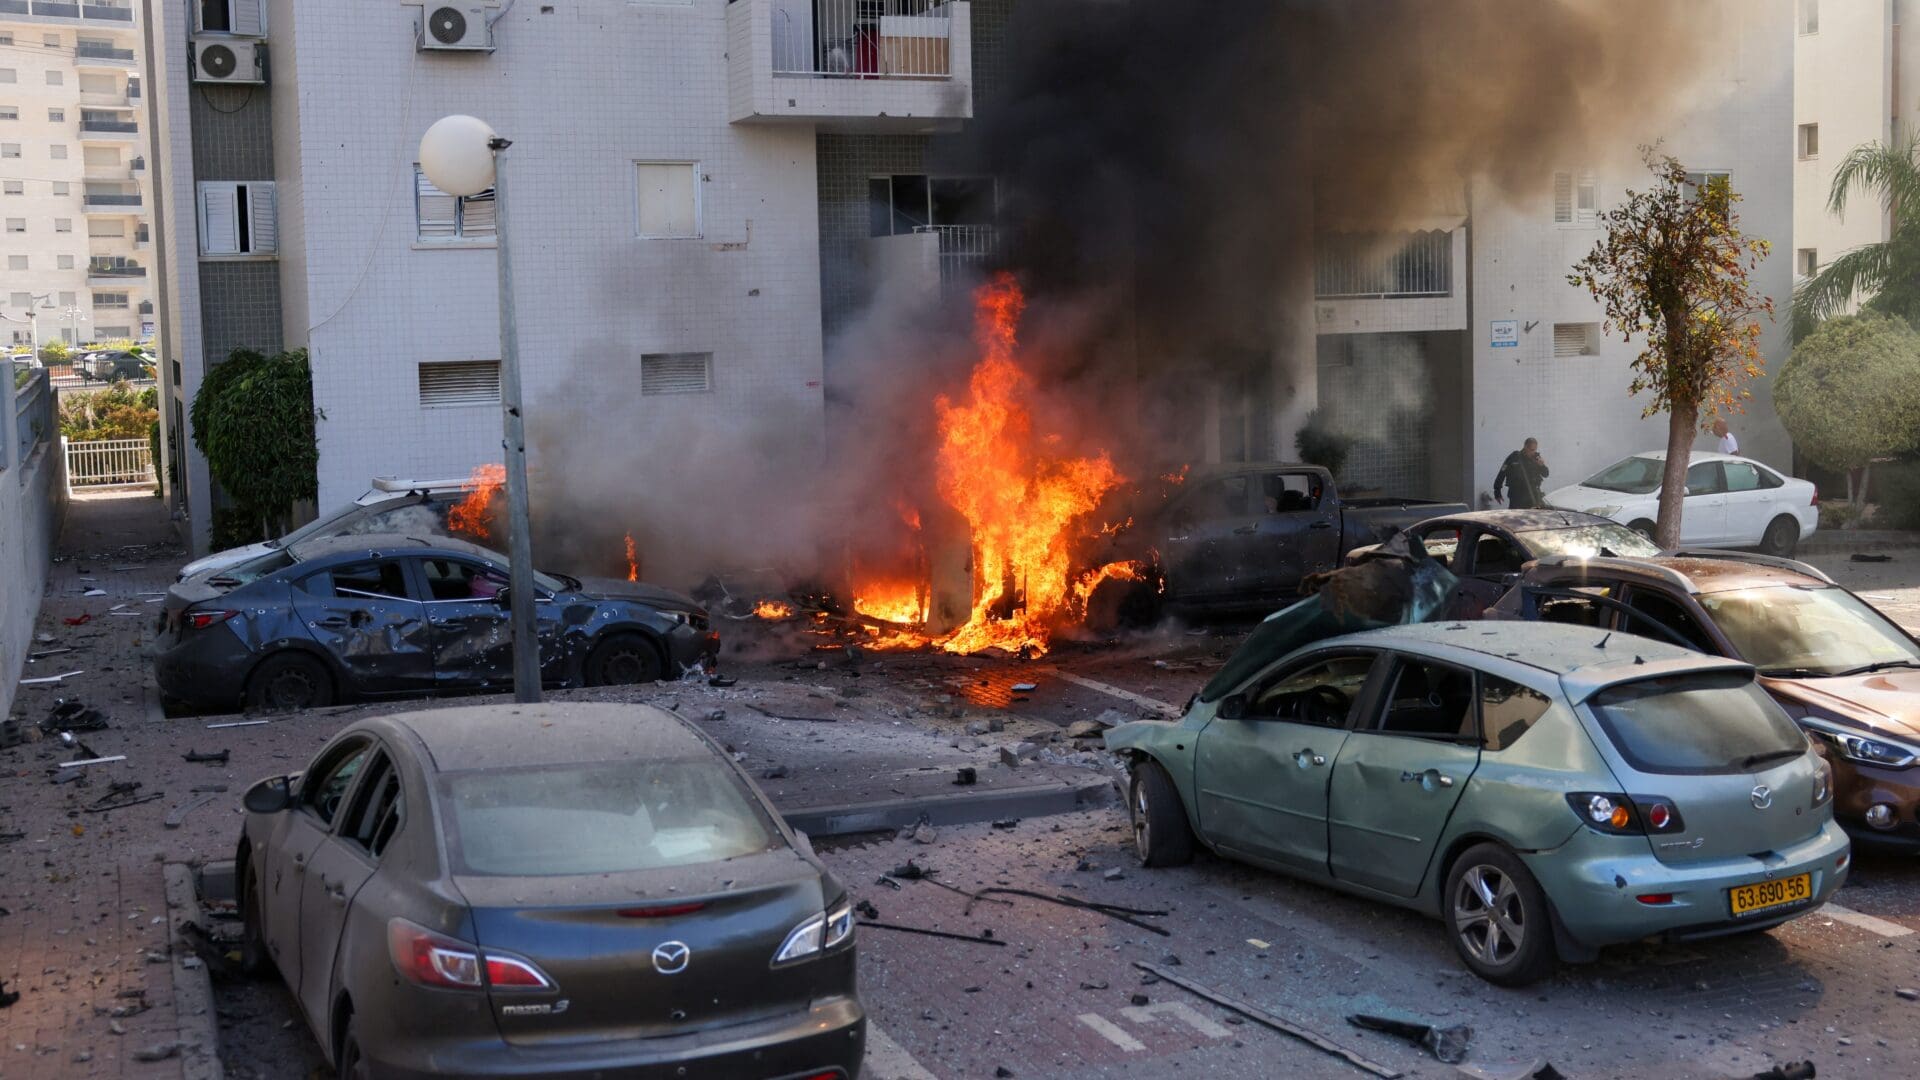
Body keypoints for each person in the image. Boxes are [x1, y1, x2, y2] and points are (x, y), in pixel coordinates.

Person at [1493, 438, 1550, 510]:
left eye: (1535, 449)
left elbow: (1546, 474)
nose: (1533, 452)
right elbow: (1502, 473)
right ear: (1525, 447)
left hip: (1532, 496)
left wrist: (1542, 466)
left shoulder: (1537, 458)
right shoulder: (1514, 457)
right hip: (1517, 496)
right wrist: (1497, 492)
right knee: (1516, 518)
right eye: (1531, 450)